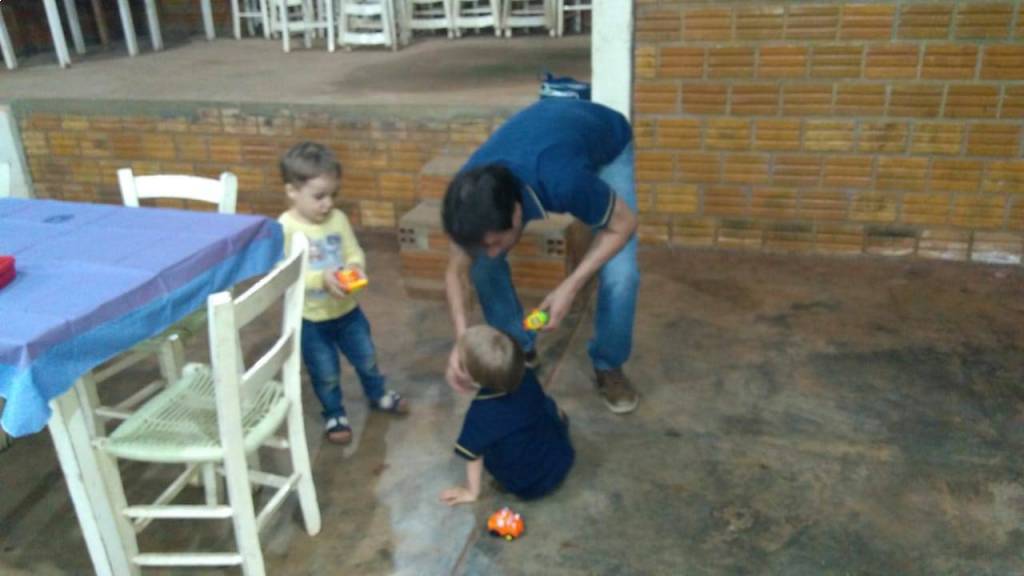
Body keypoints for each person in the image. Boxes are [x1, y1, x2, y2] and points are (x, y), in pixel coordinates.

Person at [442, 99, 640, 414]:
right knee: (482, 266)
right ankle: (518, 347)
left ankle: (609, 364)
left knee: (622, 276)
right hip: (545, 136)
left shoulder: (562, 180)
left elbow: (624, 224)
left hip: (606, 140)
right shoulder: (466, 197)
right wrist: (462, 341)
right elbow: (456, 271)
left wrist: (569, 287)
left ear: (517, 212)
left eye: (496, 242)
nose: (491, 251)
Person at [278, 141, 408, 445]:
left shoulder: (337, 219)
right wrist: (320, 279)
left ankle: (377, 393)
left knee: (367, 357)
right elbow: (285, 274)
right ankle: (334, 413)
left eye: (332, 195)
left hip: (348, 312)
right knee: (325, 371)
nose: (327, 204)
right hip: (311, 319)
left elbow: (353, 251)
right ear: (292, 191)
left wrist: (355, 267)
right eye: (319, 196)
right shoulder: (284, 228)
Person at [440, 325, 574, 505]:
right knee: (543, 404)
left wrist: (472, 492)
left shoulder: (480, 414)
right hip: (562, 454)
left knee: (483, 444)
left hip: (529, 484)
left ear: (474, 380)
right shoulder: (525, 373)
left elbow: (473, 456)